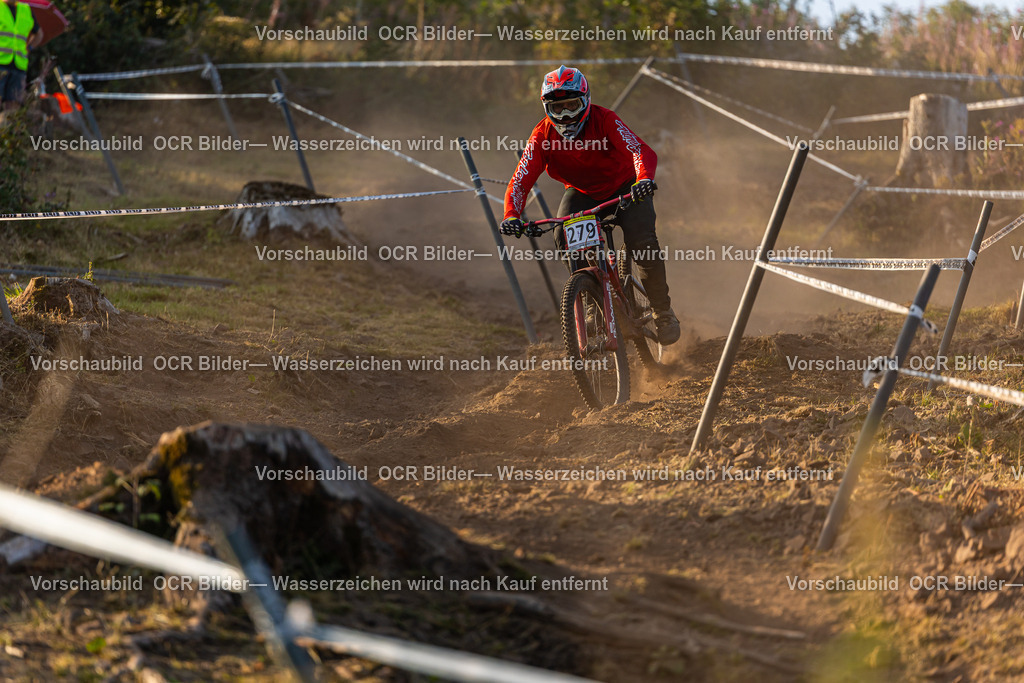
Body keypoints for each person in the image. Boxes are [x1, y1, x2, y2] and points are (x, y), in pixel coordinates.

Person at [500, 65, 680, 345]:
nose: (565, 115)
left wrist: (644, 179)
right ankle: (592, 300)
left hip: (626, 188)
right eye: (557, 108)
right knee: (563, 236)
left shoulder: (605, 119)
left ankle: (662, 311)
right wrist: (511, 215)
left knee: (642, 242)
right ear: (547, 108)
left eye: (572, 105)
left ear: (585, 100)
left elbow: (639, 150)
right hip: (583, 193)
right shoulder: (542, 135)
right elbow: (520, 180)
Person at [0, 0, 41, 112]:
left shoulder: (25, 9)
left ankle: (9, 124)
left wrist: (29, 48)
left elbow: (39, 34)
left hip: (19, 66)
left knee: (14, 107)